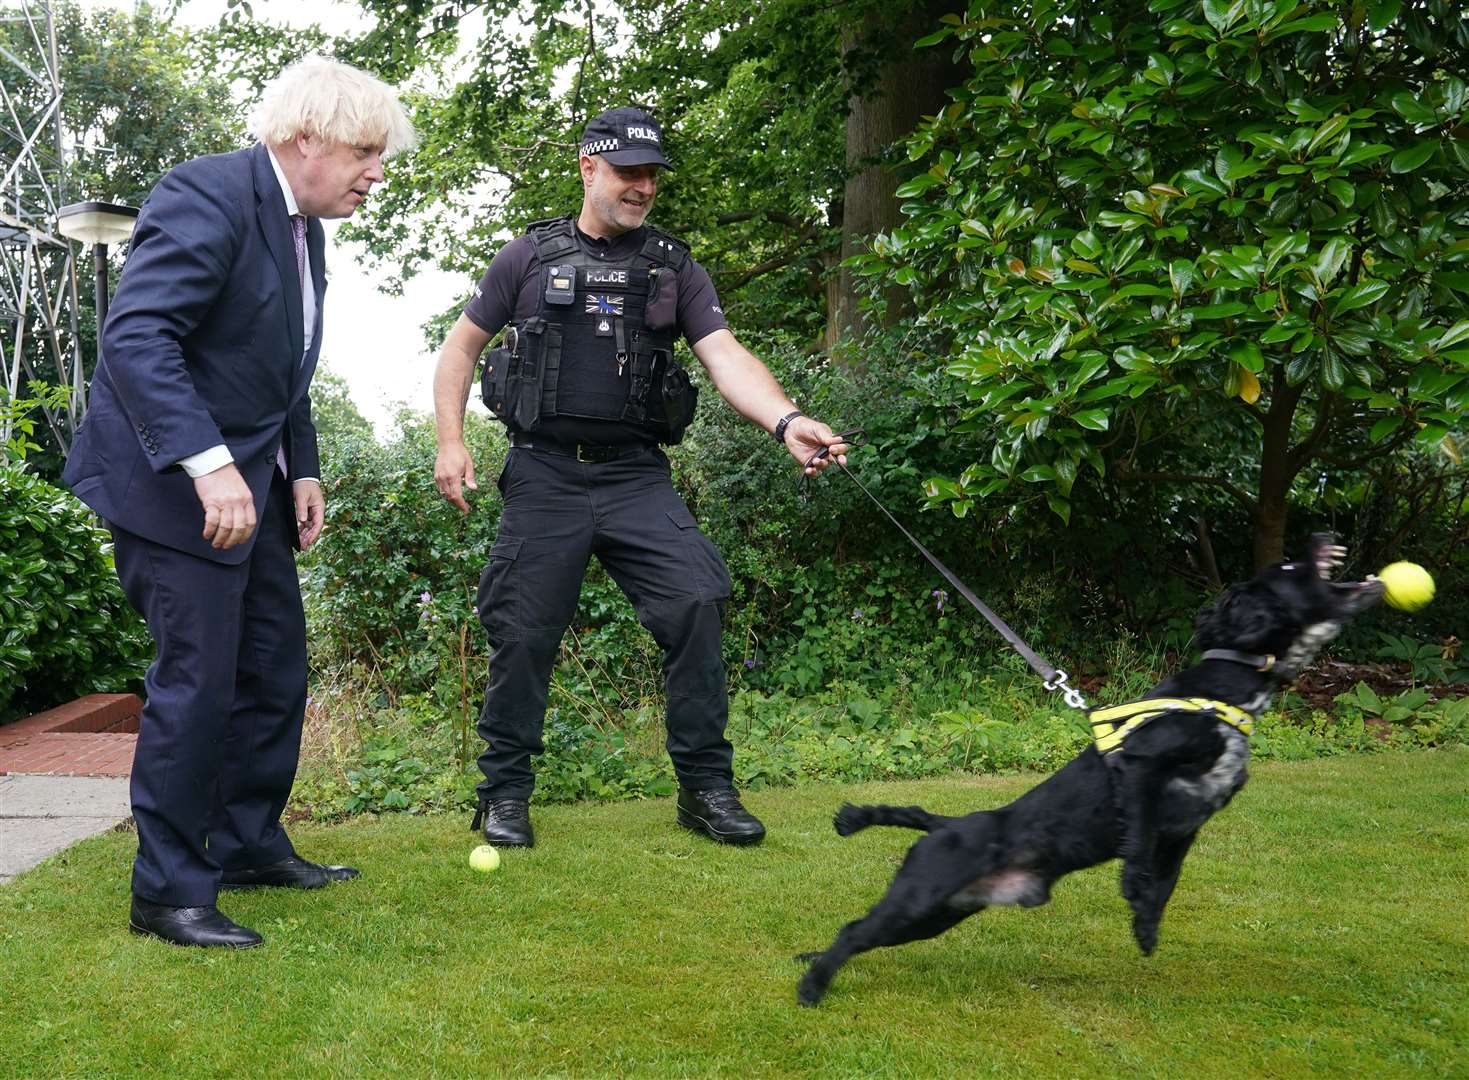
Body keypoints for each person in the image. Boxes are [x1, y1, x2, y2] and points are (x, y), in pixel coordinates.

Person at [62, 58, 415, 949]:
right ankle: (169, 893)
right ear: (307, 139)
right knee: (197, 684)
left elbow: (278, 364)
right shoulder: (207, 194)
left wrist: (303, 465)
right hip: (172, 491)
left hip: (249, 484)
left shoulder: (305, 230)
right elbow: (138, 335)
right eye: (366, 150)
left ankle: (249, 844)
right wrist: (208, 464)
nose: (377, 172)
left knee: (271, 668)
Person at [432, 106, 849, 850]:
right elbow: (459, 350)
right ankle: (503, 795)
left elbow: (724, 356)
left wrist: (787, 421)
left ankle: (705, 791)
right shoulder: (524, 258)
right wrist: (451, 441)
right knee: (523, 633)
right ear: (588, 167)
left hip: (635, 477)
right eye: (629, 171)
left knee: (694, 602)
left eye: (652, 173)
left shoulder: (673, 267)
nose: (643, 186)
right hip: (543, 474)